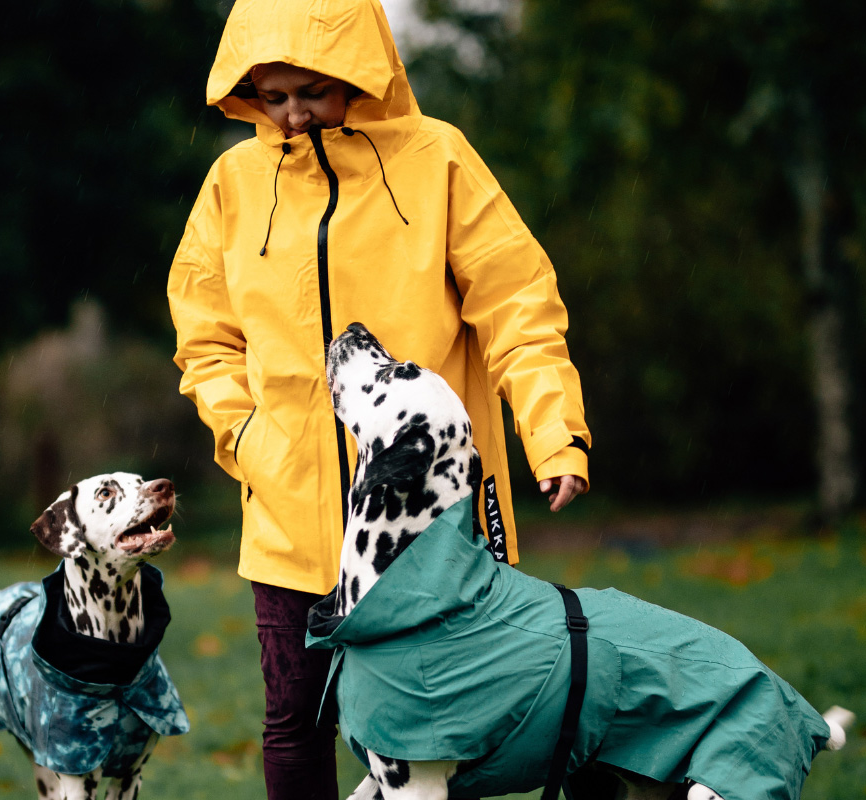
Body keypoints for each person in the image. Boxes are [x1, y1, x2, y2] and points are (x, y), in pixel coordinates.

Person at [167, 1, 590, 797]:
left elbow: (518, 307)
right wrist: (249, 436)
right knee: (295, 721)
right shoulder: (232, 183)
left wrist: (554, 432)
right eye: (273, 95)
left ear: (362, 70)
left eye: (314, 91)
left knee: (439, 715)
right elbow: (205, 336)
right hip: (289, 515)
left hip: (427, 518)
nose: (293, 113)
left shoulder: (438, 160)